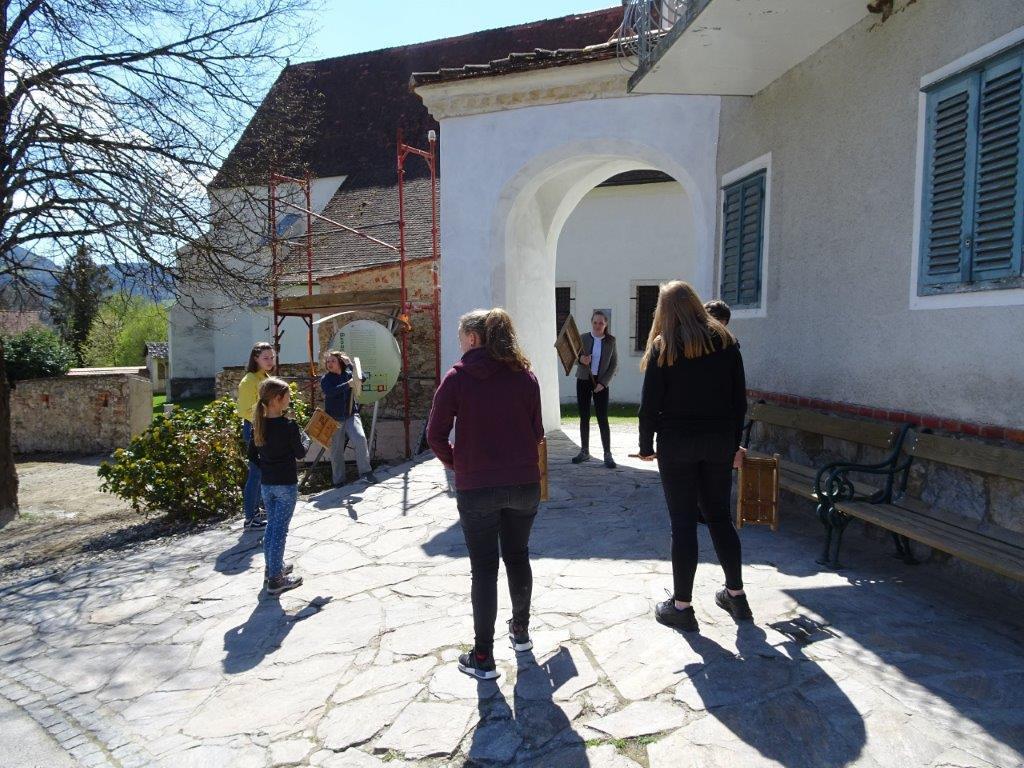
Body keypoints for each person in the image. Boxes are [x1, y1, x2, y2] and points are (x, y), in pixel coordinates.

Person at [426, 308, 544, 680]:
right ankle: (520, 632)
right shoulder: (525, 375)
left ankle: (483, 656)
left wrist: (458, 464)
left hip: (477, 486)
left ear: (474, 338)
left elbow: (434, 434)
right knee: (518, 556)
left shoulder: (458, 377)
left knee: (484, 569)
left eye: (462, 338)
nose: (460, 345)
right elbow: (538, 433)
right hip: (523, 483)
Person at [637, 281, 751, 632]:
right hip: (718, 443)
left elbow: (649, 404)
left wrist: (646, 445)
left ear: (666, 311)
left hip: (677, 445)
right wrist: (733, 445)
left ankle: (682, 607)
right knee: (719, 517)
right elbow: (739, 402)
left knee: (683, 522)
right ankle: (736, 595)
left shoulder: (664, 346)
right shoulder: (726, 342)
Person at [248, 376, 309, 596]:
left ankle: (272, 568)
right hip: (286, 484)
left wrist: (267, 466)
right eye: (287, 396)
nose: (290, 399)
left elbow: (252, 455)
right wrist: (307, 439)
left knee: (272, 527)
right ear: (276, 399)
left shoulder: (259, 425)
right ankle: (276, 579)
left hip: (268, 485)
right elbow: (300, 453)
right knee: (279, 531)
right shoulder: (288, 426)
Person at [320, 350, 376, 486]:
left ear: (340, 362)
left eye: (333, 361)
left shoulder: (349, 374)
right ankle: (339, 481)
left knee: (360, 439)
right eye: (328, 361)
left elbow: (362, 377)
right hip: (334, 419)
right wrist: (348, 385)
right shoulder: (326, 379)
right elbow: (330, 392)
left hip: (351, 415)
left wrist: (350, 364)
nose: (329, 364)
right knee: (336, 450)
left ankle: (366, 473)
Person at [572, 310, 618, 468]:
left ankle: (607, 454)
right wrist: (581, 359)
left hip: (601, 382)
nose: (598, 325)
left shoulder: (611, 341)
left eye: (601, 323)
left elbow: (613, 365)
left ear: (606, 324)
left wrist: (603, 383)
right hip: (584, 380)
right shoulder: (583, 338)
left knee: (602, 418)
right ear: (591, 322)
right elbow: (573, 357)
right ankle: (584, 451)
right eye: (595, 322)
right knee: (584, 416)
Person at [238, 342, 275, 530]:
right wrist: (267, 412)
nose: (270, 361)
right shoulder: (249, 381)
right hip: (254, 428)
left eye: (272, 357)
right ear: (256, 359)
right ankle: (250, 518)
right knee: (255, 473)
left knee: (262, 472)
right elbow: (244, 411)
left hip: (265, 427)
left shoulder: (265, 377)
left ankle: (257, 510)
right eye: (265, 358)